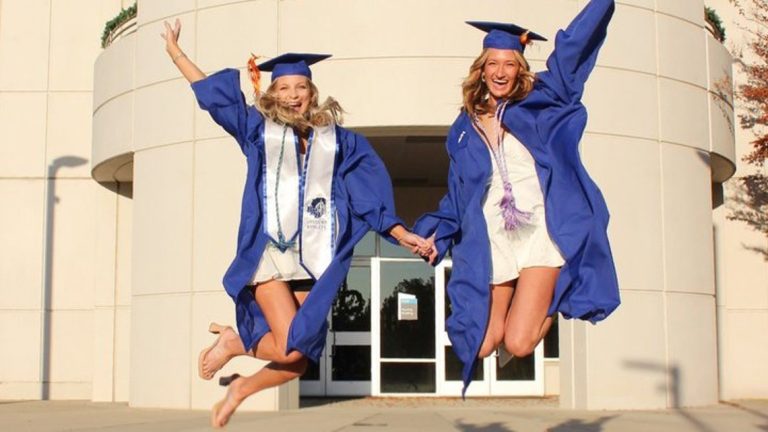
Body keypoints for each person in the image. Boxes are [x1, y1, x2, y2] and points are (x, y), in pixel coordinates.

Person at [161, 20, 429, 427]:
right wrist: (176, 53)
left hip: (313, 258)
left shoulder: (338, 142)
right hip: (269, 252)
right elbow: (218, 100)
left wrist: (399, 232)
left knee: (298, 360)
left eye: (300, 87)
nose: (292, 95)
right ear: (272, 94)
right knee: (289, 346)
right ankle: (235, 342)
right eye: (284, 88)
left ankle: (239, 389)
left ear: (311, 93)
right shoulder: (258, 132)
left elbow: (365, 194)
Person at [414, 0, 621, 395]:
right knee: (481, 343)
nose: (500, 72)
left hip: (541, 231)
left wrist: (601, 4)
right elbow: (458, 193)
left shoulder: (542, 102)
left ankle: (563, 288)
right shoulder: (464, 125)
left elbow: (572, 52)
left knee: (520, 343)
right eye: (492, 63)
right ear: (481, 69)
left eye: (509, 64)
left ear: (520, 68)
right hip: (494, 237)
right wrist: (436, 235)